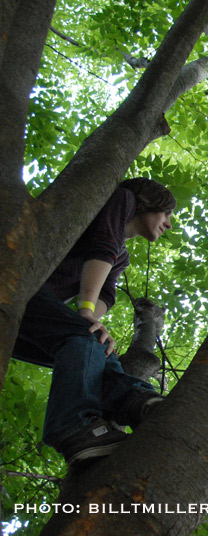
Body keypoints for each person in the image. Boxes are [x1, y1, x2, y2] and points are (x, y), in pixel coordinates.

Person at [12, 177, 176, 464]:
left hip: (28, 320)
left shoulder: (121, 258)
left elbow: (107, 294)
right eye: (167, 214)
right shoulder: (123, 200)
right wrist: (86, 316)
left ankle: (134, 402)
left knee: (96, 346)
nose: (169, 224)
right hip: (16, 287)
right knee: (88, 335)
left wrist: (90, 322)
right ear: (149, 202)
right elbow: (103, 246)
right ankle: (74, 427)